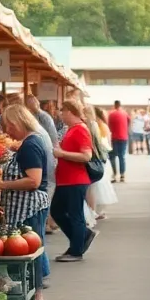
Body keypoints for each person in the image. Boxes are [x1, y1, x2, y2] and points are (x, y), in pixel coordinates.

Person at [0, 105, 51, 300]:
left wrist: (1, 184)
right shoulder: (29, 142)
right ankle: (31, 289)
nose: (7, 132)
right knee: (29, 250)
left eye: (7, 126)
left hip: (29, 207)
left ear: (16, 122)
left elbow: (33, 181)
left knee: (30, 251)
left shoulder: (30, 145)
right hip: (26, 206)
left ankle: (36, 293)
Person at [50, 101, 96, 262]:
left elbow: (86, 156)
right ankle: (81, 236)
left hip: (75, 180)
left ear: (69, 111)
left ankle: (76, 250)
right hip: (66, 179)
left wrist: (62, 154)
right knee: (57, 211)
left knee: (75, 215)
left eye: (62, 111)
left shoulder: (81, 130)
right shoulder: (72, 130)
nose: (60, 115)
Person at [87, 107, 117, 221]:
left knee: (96, 187)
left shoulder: (98, 126)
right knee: (97, 186)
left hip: (99, 158)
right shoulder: (100, 125)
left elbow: (104, 143)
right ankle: (96, 210)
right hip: (102, 158)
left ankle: (95, 211)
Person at [106, 101, 130, 181]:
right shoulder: (125, 114)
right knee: (121, 156)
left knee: (112, 156)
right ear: (120, 105)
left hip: (114, 138)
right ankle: (122, 175)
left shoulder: (111, 114)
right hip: (123, 137)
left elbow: (108, 125)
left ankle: (114, 174)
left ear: (115, 105)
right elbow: (129, 122)